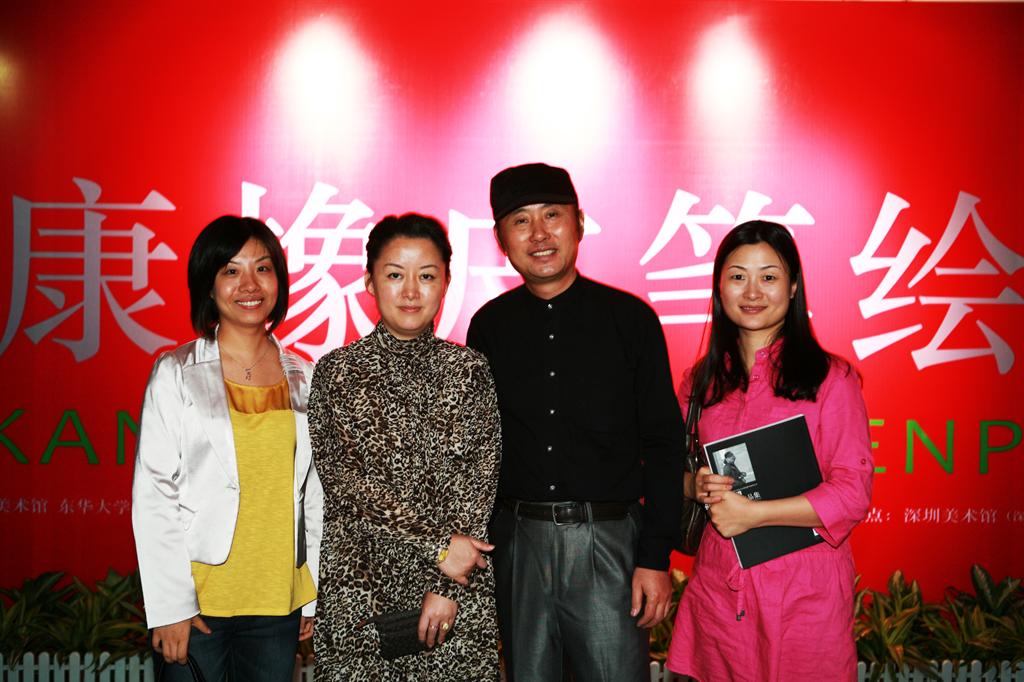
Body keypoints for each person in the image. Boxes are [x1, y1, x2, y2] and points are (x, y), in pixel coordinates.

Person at [466, 163, 685, 681]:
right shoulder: (489, 327)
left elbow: (663, 443)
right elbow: (476, 450)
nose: (539, 234)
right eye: (521, 221)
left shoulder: (630, 320)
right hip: (519, 541)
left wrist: (655, 557)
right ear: (501, 239)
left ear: (579, 223)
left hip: (607, 541)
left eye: (552, 216)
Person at [666, 220, 874, 681]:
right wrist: (694, 484)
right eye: (738, 276)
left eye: (769, 276)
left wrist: (754, 515)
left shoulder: (831, 379)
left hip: (805, 593)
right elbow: (661, 469)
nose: (753, 291)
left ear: (793, 286)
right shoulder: (700, 383)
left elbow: (851, 493)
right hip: (720, 592)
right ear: (719, 287)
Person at [309, 213, 501, 681]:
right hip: (361, 588)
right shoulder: (337, 372)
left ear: (446, 283)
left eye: (427, 276)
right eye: (395, 275)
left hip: (455, 592)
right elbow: (345, 483)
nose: (411, 291)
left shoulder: (469, 370)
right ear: (370, 282)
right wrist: (441, 548)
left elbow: (479, 483)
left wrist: (446, 581)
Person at [131, 216, 323, 682]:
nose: (250, 284)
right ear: (209, 285)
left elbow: (315, 494)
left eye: (263, 268)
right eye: (231, 271)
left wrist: (311, 593)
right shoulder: (176, 371)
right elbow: (154, 492)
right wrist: (171, 606)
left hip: (277, 602)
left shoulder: (306, 375)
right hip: (198, 603)